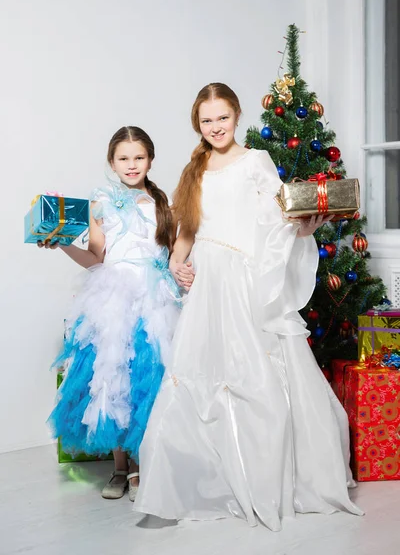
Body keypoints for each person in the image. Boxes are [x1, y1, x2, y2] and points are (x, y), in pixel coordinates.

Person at [132, 84, 363, 529]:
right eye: (206, 121)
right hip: (207, 284)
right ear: (197, 125)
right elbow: (187, 231)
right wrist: (178, 264)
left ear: (236, 117)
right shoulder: (193, 171)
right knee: (197, 374)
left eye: (222, 118)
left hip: (243, 279)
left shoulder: (255, 160)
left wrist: (302, 228)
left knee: (255, 374)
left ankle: (266, 475)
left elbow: (278, 217)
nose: (215, 127)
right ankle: (187, 481)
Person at [40, 126, 185, 501]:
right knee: (113, 375)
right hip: (115, 296)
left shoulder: (161, 202)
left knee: (148, 377)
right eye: (124, 158)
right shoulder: (101, 200)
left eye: (139, 157)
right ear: (112, 162)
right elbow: (97, 255)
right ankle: (120, 468)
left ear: (150, 160)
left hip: (155, 298)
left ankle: (140, 464)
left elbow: (171, 255)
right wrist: (61, 244)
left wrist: (183, 273)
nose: (132, 164)